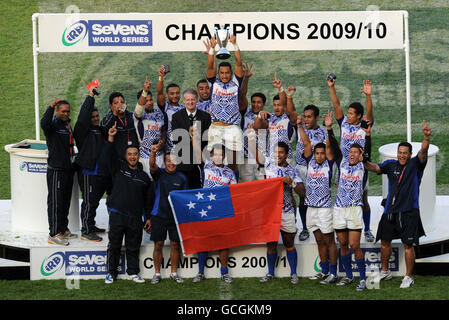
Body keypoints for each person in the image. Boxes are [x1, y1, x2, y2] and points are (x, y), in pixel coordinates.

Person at [363, 120, 431, 288]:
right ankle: (385, 271)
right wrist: (363, 160)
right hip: (390, 211)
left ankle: (408, 276)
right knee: (385, 242)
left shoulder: (416, 165)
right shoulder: (391, 164)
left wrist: (426, 137)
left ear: (410, 154)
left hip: (409, 211)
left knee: (408, 245)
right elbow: (375, 168)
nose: (402, 155)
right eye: (400, 152)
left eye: (405, 153)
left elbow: (423, 151)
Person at [104, 122, 154, 284]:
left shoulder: (144, 177)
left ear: (138, 155)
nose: (133, 156)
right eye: (130, 154)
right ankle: (111, 273)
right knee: (114, 246)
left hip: (135, 218)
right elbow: (108, 155)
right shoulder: (117, 169)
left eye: (135, 154)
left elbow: (148, 201)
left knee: (133, 247)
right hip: (117, 215)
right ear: (126, 156)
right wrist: (111, 138)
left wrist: (148, 217)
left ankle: (133, 273)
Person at [328, 75, 375, 242]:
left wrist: (368, 96)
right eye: (347, 113)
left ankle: (367, 229)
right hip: (344, 165)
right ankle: (341, 225)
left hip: (361, 167)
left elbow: (369, 113)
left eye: (351, 113)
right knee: (341, 194)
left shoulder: (365, 125)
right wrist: (331, 87)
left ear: (359, 115)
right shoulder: (344, 125)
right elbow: (336, 105)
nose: (347, 115)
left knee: (363, 197)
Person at [327, 114, 371, 291]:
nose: (352, 154)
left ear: (361, 155)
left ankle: (362, 279)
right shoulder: (342, 162)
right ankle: (349, 277)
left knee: (355, 245)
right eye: (351, 152)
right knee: (343, 244)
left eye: (356, 152)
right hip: (339, 208)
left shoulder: (363, 166)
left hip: (354, 209)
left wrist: (367, 136)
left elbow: (367, 150)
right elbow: (336, 147)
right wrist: (330, 129)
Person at [254, 142, 305, 284]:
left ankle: (294, 274)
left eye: (281, 152)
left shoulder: (293, 171)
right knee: (271, 244)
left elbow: (302, 193)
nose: (278, 155)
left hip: (287, 211)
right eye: (276, 152)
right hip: (270, 212)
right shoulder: (267, 167)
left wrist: (292, 183)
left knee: (289, 243)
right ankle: (270, 273)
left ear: (287, 154)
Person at [298, 111, 339, 284]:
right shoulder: (310, 161)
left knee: (329, 240)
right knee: (319, 240)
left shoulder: (329, 163)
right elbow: (306, 141)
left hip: (324, 209)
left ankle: (334, 273)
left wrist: (329, 128)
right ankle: (323, 270)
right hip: (310, 208)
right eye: (318, 153)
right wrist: (299, 125)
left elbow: (330, 147)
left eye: (322, 153)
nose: (320, 156)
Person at [190, 142, 237, 284]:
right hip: (206, 210)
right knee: (204, 241)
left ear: (224, 156)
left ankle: (224, 272)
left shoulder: (230, 173)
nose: (218, 156)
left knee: (223, 242)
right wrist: (193, 136)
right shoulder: (207, 165)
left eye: (221, 154)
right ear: (211, 155)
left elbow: (235, 193)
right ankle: (200, 273)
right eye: (215, 154)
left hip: (222, 211)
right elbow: (197, 149)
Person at [286, 87, 328, 241]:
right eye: (305, 116)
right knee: (302, 197)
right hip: (300, 168)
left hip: (315, 169)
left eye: (310, 117)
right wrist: (289, 97)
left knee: (317, 197)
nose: (306, 119)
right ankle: (304, 227)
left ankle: (321, 226)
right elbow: (291, 113)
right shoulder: (300, 127)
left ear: (316, 117)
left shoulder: (323, 132)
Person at [74, 84, 110, 242]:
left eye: (97, 116)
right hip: (89, 172)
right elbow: (82, 117)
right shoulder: (83, 131)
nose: (96, 118)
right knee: (89, 202)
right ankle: (86, 230)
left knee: (94, 202)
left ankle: (91, 225)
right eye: (92, 117)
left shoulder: (100, 129)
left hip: (102, 173)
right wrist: (90, 97)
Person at [205, 34, 244, 177]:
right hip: (215, 127)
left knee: (233, 164)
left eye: (227, 73)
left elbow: (239, 64)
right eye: (222, 73)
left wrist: (235, 45)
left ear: (231, 73)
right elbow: (210, 66)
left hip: (232, 128)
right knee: (215, 162)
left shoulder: (236, 82)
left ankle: (233, 189)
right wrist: (212, 49)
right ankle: (215, 186)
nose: (224, 75)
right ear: (218, 74)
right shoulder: (213, 83)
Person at [148, 146, 188, 284]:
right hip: (159, 215)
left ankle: (174, 273)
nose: (171, 163)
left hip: (175, 217)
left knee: (175, 245)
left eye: (174, 160)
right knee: (158, 244)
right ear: (164, 162)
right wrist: (153, 152)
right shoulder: (158, 174)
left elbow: (184, 199)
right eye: (168, 161)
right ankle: (157, 274)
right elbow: (152, 165)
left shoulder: (182, 178)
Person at [41, 98, 76, 246]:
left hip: (67, 169)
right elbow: (44, 123)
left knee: (65, 202)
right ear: (57, 111)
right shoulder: (52, 125)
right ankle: (53, 234)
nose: (66, 114)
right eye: (63, 111)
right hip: (56, 170)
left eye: (68, 111)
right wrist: (50, 107)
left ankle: (62, 229)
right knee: (55, 203)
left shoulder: (67, 124)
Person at [171, 88, 211, 189]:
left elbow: (207, 139)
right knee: (183, 190)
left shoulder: (205, 116)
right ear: (183, 101)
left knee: (198, 190)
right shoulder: (177, 116)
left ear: (197, 100)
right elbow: (176, 139)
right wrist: (189, 135)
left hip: (200, 162)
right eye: (187, 100)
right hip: (183, 161)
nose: (190, 102)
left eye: (193, 99)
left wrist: (197, 138)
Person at [254, 74, 295, 165]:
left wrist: (280, 88)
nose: (276, 108)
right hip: (272, 160)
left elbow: (285, 105)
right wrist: (259, 116)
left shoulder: (288, 117)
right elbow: (257, 128)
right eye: (274, 105)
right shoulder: (271, 118)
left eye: (279, 105)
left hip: (286, 160)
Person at [134, 76, 167, 175]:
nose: (149, 103)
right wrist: (145, 91)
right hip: (145, 157)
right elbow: (139, 109)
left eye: (151, 100)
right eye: (146, 101)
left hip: (160, 156)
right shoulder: (138, 115)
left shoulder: (159, 113)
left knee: (160, 184)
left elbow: (163, 131)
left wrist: (163, 141)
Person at [238, 63, 266, 182]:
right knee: (245, 188)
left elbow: (258, 126)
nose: (255, 104)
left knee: (265, 186)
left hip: (261, 157)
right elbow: (242, 95)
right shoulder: (246, 112)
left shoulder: (267, 116)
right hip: (245, 157)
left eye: (259, 102)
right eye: (253, 102)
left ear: (263, 104)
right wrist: (246, 79)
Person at [100, 91, 139, 161]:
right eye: (116, 103)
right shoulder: (108, 118)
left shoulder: (132, 116)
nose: (120, 105)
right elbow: (103, 129)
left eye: (122, 102)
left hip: (133, 158)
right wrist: (115, 113)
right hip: (117, 160)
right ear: (111, 106)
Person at [156, 65, 185, 152]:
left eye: (177, 93)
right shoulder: (165, 107)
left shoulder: (184, 108)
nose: (175, 95)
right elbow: (159, 92)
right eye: (172, 93)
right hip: (169, 150)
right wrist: (161, 77)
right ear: (167, 95)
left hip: (183, 150)